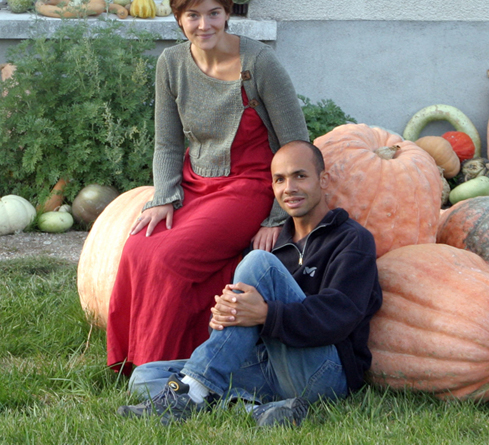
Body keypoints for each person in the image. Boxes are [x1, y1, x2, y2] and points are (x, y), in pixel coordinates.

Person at [106, 0, 309, 372]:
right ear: (178, 18)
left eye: (214, 13)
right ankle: (133, 360)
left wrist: (276, 215)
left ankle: (157, 369)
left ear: (227, 12)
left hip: (249, 187)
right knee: (136, 249)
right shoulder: (171, 63)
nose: (204, 25)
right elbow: (167, 141)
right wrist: (164, 196)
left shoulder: (259, 63)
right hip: (195, 183)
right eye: (193, 15)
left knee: (169, 258)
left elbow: (297, 146)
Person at [117, 141, 382, 426]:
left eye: (300, 176)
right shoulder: (276, 243)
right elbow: (240, 331)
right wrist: (223, 315)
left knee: (258, 262)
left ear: (323, 180)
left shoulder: (352, 240)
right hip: (270, 368)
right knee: (145, 377)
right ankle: (254, 409)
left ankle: (193, 391)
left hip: (324, 371)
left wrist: (266, 314)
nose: (289, 188)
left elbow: (339, 315)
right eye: (279, 179)